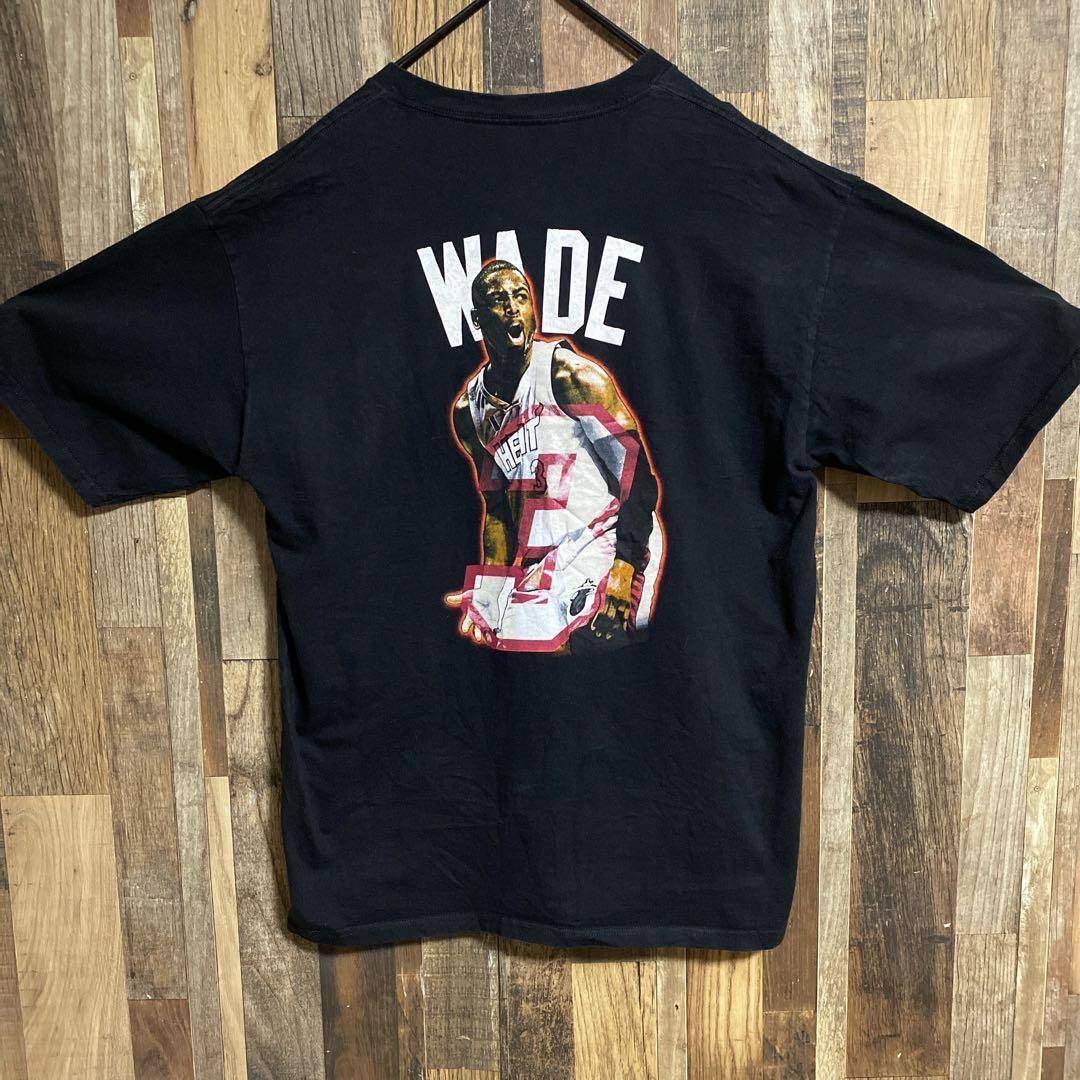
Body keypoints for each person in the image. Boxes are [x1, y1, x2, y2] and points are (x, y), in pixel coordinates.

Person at [445, 258, 666, 653]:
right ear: (478, 320)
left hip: (612, 541)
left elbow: (638, 479)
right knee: (499, 647)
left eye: (521, 296)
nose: (512, 308)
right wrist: (491, 589)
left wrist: (625, 565)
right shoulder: (469, 412)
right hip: (547, 565)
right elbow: (497, 511)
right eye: (498, 300)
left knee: (589, 653)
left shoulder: (571, 376)